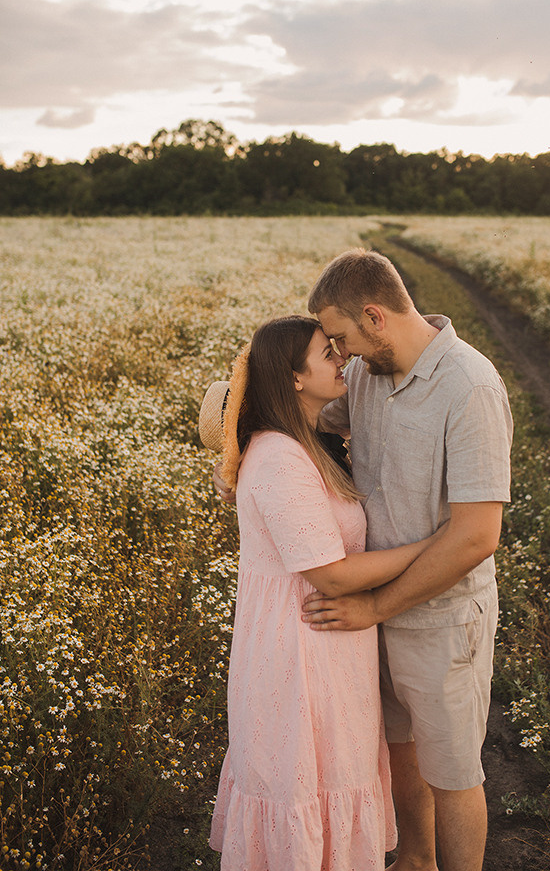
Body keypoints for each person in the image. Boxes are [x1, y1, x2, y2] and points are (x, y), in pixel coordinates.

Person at [200, 315, 440, 871]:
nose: (342, 360)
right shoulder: (280, 459)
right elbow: (330, 575)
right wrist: (435, 545)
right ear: (293, 379)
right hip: (300, 653)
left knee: (330, 779)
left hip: (327, 643)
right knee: (305, 784)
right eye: (327, 353)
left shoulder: (310, 443)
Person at [300, 249, 514, 871]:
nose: (340, 355)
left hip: (444, 617)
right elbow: (305, 416)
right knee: (400, 749)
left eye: (341, 339)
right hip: (378, 610)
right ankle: (415, 861)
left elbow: (477, 536)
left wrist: (375, 606)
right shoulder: (367, 376)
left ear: (375, 317)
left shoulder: (469, 386)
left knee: (453, 771)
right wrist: (243, 443)